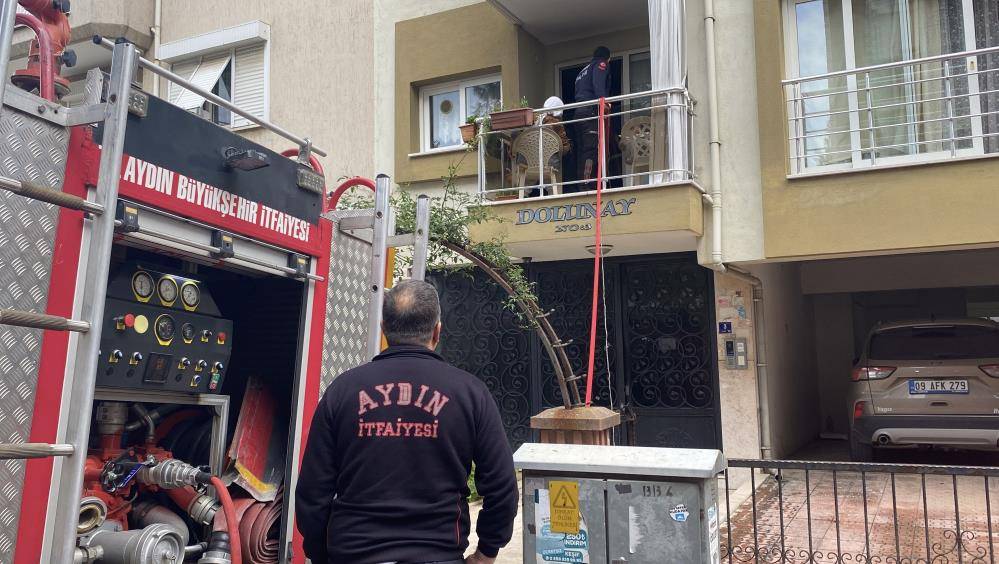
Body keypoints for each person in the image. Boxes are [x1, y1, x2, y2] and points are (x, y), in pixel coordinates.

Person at [296, 279, 519, 564]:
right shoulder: (470, 393)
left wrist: (320, 554)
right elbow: (502, 487)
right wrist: (487, 552)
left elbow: (313, 491)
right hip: (437, 555)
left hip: (352, 554)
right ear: (437, 330)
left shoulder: (342, 391)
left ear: (384, 329)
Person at [570, 46, 612, 192]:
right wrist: (603, 102)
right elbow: (598, 84)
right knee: (591, 150)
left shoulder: (583, 71)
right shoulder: (601, 64)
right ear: (608, 58)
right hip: (590, 113)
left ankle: (582, 184)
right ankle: (589, 184)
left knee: (582, 150)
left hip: (578, 114)